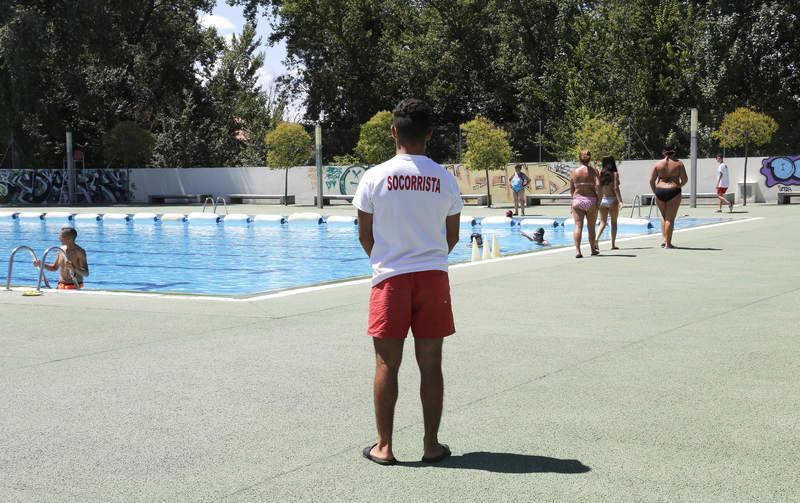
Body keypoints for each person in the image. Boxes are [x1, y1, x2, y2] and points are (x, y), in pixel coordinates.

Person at [353, 98, 462, 466]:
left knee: (387, 365)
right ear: (429, 134)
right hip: (433, 278)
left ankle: (384, 447)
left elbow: (364, 235)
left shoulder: (374, 177)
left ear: (393, 131)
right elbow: (453, 236)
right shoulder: (445, 178)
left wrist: (386, 261)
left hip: (390, 280)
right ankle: (431, 445)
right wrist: (428, 257)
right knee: (431, 364)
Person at [649, 144, 688, 248]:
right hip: (673, 190)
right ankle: (668, 244)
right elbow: (685, 179)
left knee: (663, 216)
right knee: (669, 219)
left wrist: (655, 191)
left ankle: (664, 239)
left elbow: (651, 180)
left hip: (660, 190)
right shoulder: (679, 164)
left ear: (663, 152)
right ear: (674, 152)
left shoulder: (658, 164)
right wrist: (679, 186)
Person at [570, 149, 600, 258]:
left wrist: (572, 202)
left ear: (579, 158)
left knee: (578, 226)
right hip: (590, 200)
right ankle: (592, 250)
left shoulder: (574, 172)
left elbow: (572, 189)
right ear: (590, 158)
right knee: (591, 227)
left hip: (577, 200)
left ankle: (578, 251)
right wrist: (598, 201)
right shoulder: (594, 171)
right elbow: (598, 187)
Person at [595, 156, 624, 251]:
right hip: (612, 199)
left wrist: (598, 201)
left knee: (602, 223)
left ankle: (596, 239)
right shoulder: (614, 174)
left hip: (603, 200)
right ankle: (613, 244)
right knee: (614, 222)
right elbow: (616, 188)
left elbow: (598, 188)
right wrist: (620, 201)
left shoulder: (600, 174)